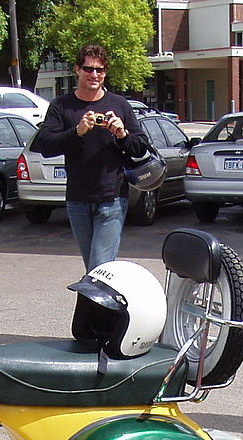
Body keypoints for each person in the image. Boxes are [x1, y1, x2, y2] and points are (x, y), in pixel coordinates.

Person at [35, 44, 152, 272]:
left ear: (105, 72)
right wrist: (76, 132)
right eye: (88, 69)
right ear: (77, 70)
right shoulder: (61, 106)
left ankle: (96, 308)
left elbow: (140, 147)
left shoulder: (119, 104)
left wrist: (122, 133)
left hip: (112, 199)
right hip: (77, 199)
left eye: (100, 70)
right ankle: (98, 308)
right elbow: (45, 145)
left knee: (99, 270)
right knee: (94, 270)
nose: (94, 75)